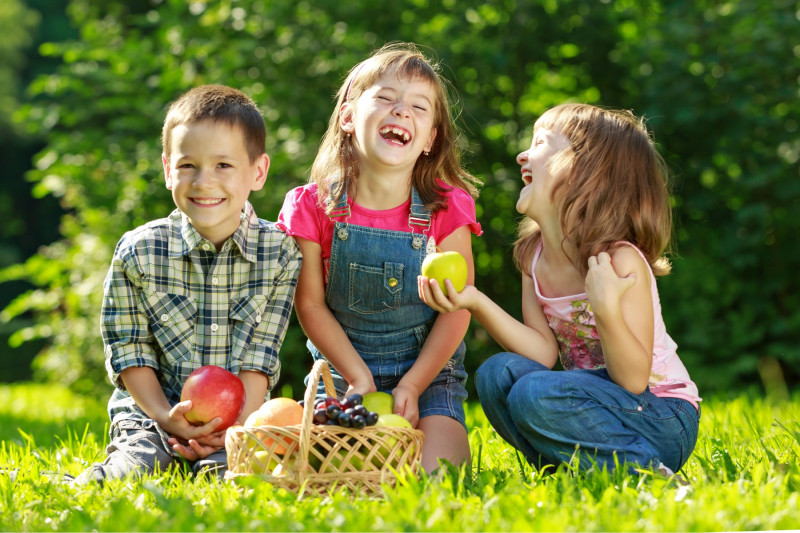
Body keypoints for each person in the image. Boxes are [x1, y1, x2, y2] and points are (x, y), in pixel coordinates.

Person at [419, 103, 701, 477]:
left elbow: (633, 380)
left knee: (532, 392)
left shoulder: (619, 261)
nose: (522, 154)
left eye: (539, 143)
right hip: (587, 404)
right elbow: (544, 352)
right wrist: (474, 301)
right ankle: (573, 469)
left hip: (661, 415)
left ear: (584, 169)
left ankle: (647, 473)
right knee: (497, 375)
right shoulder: (532, 257)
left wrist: (606, 308)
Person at [73, 85, 302, 484]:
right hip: (150, 416)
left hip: (238, 421)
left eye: (223, 166)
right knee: (136, 470)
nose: (203, 182)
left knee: (232, 479)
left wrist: (231, 430)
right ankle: (94, 479)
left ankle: (217, 460)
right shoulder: (139, 252)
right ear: (167, 170)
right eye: (187, 166)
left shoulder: (280, 254)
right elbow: (130, 352)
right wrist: (166, 417)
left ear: (258, 171)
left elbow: (260, 358)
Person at [277, 43, 482, 472]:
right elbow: (310, 304)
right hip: (343, 376)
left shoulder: (447, 208)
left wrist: (413, 383)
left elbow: (457, 311)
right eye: (386, 98)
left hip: (429, 376)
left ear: (429, 140)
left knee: (433, 474)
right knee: (339, 474)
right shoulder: (313, 207)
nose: (401, 111)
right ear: (349, 118)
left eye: (418, 107)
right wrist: (357, 378)